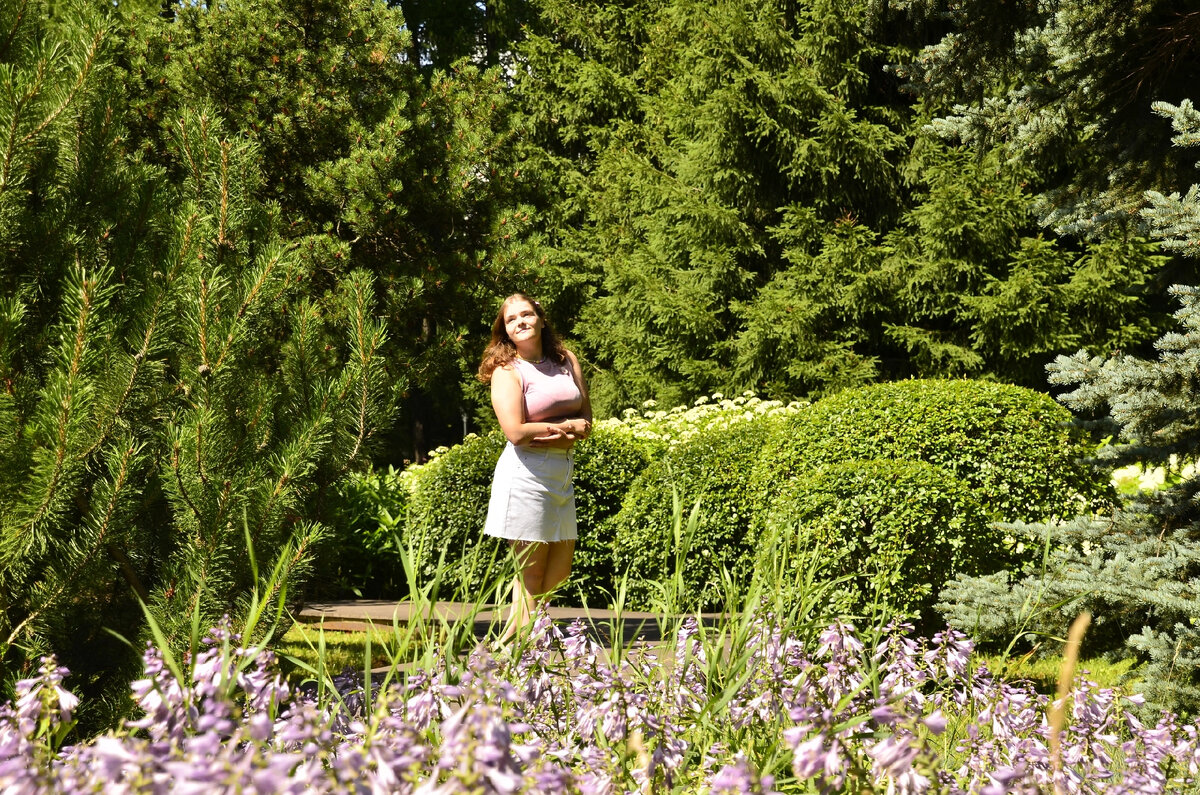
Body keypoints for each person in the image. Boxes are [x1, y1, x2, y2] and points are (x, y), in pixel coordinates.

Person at [477, 293, 592, 639]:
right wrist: (567, 428)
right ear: (506, 331)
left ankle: (512, 646)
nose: (521, 322)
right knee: (530, 573)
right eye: (512, 320)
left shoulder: (566, 360)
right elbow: (516, 432)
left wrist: (563, 430)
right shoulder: (507, 372)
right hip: (525, 474)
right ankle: (526, 652)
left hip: (561, 472)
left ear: (541, 318)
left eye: (526, 314)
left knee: (558, 572)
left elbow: (587, 418)